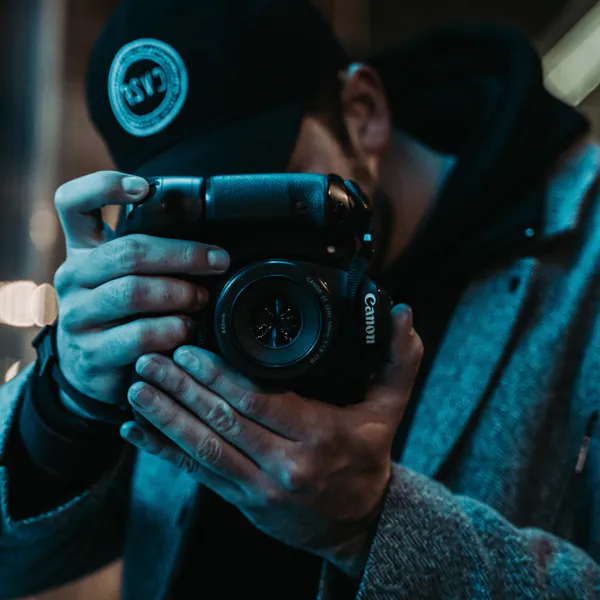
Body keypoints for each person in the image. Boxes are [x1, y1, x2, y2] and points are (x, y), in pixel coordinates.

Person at [1, 0, 599, 598]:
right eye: (194, 211)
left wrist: (371, 524)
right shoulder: (177, 287)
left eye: (259, 195)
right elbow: (15, 566)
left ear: (362, 115)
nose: (232, 245)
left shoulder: (583, 266)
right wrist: (64, 404)